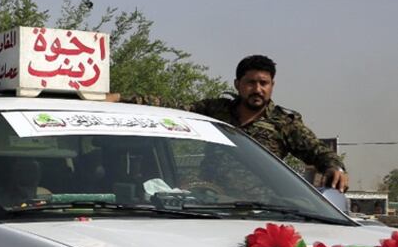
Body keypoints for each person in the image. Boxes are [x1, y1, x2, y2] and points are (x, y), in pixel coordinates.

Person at [118, 55, 349, 191]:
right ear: (238, 84)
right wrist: (119, 98)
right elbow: (171, 106)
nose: (257, 89)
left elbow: (318, 152)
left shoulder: (283, 124)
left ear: (272, 85)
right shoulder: (217, 111)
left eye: (263, 83)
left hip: (260, 210)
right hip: (206, 202)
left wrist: (336, 168)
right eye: (251, 82)